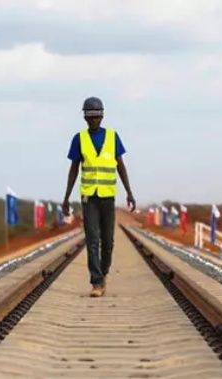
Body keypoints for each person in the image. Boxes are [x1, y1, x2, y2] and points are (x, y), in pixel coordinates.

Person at [62, 96, 136, 298]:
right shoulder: (79, 139)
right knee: (93, 240)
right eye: (89, 116)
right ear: (85, 118)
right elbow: (74, 169)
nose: (93, 120)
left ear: (102, 116)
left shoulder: (113, 137)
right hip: (89, 198)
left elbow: (120, 165)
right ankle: (96, 282)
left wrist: (129, 192)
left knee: (108, 242)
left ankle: (103, 273)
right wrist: (66, 197)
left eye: (96, 116)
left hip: (107, 197)